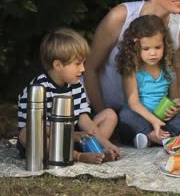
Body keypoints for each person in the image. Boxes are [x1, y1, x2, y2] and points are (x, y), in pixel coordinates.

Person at [83, 0, 180, 137]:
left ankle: (159, 135)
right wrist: (106, 116)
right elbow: (90, 69)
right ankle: (155, 135)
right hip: (112, 111)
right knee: (125, 117)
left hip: (155, 114)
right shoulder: (121, 16)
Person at [17, 28, 121, 164]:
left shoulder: (76, 85)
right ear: (58, 65)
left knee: (109, 115)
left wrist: (106, 143)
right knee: (27, 135)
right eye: (77, 64)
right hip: (46, 142)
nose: (83, 69)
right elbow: (36, 127)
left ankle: (97, 151)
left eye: (83, 63)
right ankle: (77, 156)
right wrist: (71, 136)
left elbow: (84, 120)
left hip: (72, 137)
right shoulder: (37, 89)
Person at [116, 15, 180, 148]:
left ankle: (153, 139)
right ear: (134, 47)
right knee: (125, 115)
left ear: (165, 45)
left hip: (163, 122)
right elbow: (134, 104)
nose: (153, 53)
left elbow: (176, 97)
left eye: (157, 47)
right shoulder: (132, 70)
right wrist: (154, 121)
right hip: (141, 121)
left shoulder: (168, 69)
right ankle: (163, 138)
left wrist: (176, 108)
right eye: (146, 49)